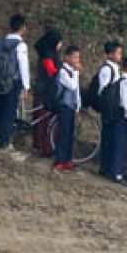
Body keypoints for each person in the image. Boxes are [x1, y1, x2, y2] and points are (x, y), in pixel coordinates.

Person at [0, 14, 31, 152]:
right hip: (13, 81)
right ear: (22, 28)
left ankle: (0, 138)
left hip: (0, 81)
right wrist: (26, 86)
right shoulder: (20, 45)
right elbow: (23, 66)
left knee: (2, 109)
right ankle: (5, 142)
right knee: (10, 113)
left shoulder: (1, 42)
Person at [95, 41, 124, 177]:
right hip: (109, 109)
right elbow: (103, 90)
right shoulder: (107, 69)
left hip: (113, 109)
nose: (120, 56)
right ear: (110, 54)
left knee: (112, 138)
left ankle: (107, 166)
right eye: (118, 53)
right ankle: (104, 167)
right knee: (107, 138)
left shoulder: (115, 68)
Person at [31, 29, 62, 156]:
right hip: (45, 92)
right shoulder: (47, 55)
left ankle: (42, 145)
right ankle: (44, 147)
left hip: (45, 90)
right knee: (44, 120)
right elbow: (51, 71)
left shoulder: (48, 53)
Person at [109, 57, 127, 185]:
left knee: (122, 143)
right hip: (122, 115)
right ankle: (117, 173)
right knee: (120, 144)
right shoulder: (125, 81)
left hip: (123, 115)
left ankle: (119, 170)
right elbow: (125, 100)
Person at [53, 45, 81, 173]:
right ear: (67, 57)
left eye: (78, 57)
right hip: (64, 105)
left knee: (70, 134)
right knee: (63, 134)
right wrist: (75, 72)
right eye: (74, 57)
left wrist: (77, 107)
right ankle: (59, 160)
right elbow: (72, 85)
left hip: (72, 106)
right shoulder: (63, 72)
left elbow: (77, 91)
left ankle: (67, 160)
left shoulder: (74, 72)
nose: (76, 60)